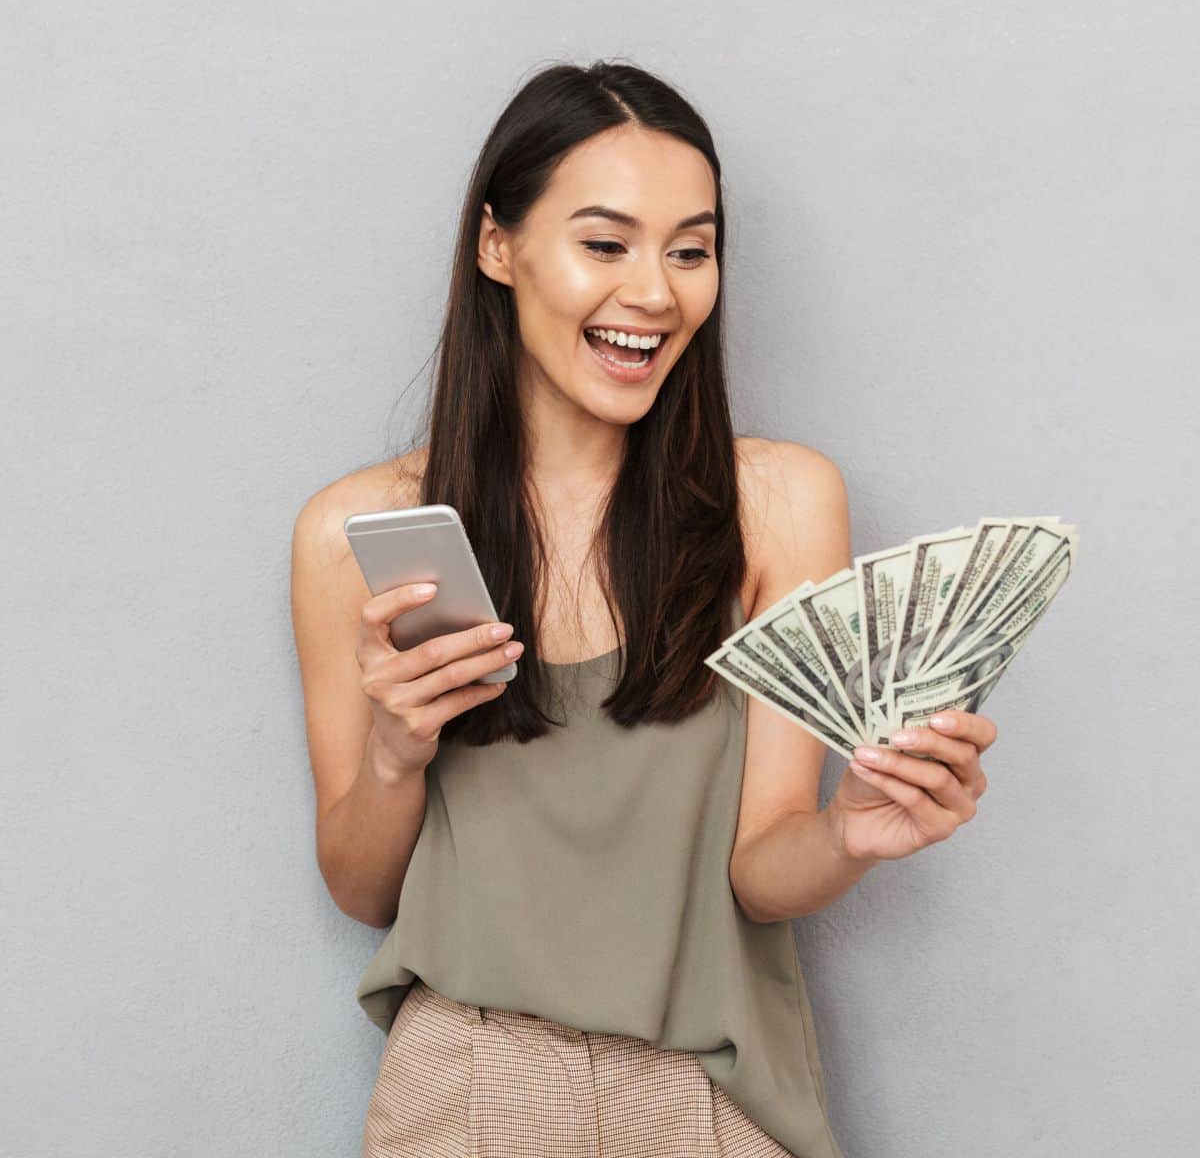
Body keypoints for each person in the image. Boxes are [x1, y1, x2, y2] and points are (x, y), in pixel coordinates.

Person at [290, 60, 996, 1158]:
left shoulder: (780, 503)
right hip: (470, 1083)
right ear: (498, 247)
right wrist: (394, 752)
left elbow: (762, 873)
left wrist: (852, 835)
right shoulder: (357, 528)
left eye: (691, 249)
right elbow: (360, 887)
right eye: (606, 243)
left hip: (711, 1096)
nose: (656, 293)